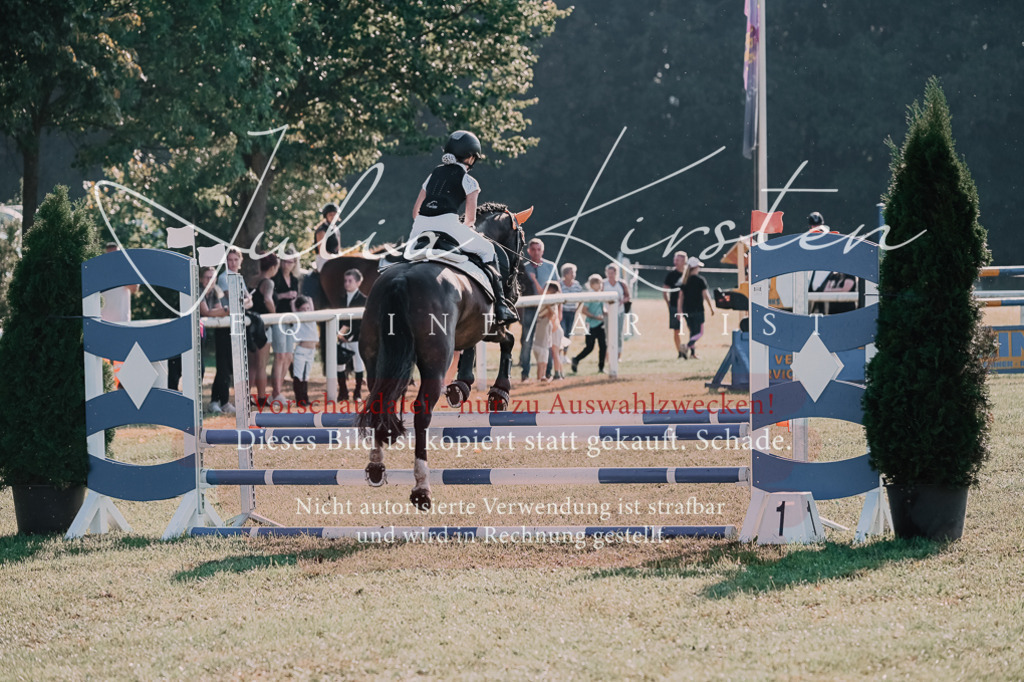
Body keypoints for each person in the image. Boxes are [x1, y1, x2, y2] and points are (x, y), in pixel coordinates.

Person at [409, 130, 517, 325]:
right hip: (449, 225)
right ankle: (501, 306)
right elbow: (470, 220)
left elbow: (415, 211)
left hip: (420, 226)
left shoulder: (433, 175)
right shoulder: (469, 181)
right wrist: (460, 228)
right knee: (488, 250)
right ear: (470, 157)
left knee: (404, 257)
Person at [210, 248, 249, 414]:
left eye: (235, 259)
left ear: (240, 261)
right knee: (223, 365)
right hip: (224, 324)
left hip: (235, 324)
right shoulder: (223, 277)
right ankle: (220, 401)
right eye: (229, 260)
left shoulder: (239, 277)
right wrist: (244, 302)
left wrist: (243, 302)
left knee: (229, 366)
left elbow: (248, 300)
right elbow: (235, 298)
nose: (232, 263)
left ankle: (218, 400)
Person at [519, 237, 557, 381]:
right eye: (533, 249)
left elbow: (557, 288)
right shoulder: (523, 268)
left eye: (538, 249)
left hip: (547, 310)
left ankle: (548, 372)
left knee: (547, 341)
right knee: (527, 341)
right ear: (529, 251)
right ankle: (525, 374)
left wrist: (557, 311)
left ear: (542, 250)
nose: (536, 252)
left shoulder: (550, 267)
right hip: (529, 308)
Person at [270, 249, 300, 405]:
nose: (288, 264)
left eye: (291, 262)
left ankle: (277, 392)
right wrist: (283, 296)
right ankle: (276, 392)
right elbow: (271, 297)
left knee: (288, 356)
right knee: (280, 355)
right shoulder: (275, 278)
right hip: (278, 318)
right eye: (286, 261)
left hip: (291, 320)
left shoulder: (294, 280)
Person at [248, 254, 279, 407]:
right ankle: (261, 397)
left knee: (251, 365)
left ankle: (246, 396)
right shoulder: (268, 282)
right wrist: (275, 315)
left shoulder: (251, 279)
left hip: (250, 324)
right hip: (263, 326)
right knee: (261, 364)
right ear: (273, 267)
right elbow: (268, 299)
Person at [198, 267, 231, 411]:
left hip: (201, 333)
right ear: (200, 279)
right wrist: (226, 310)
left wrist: (223, 311)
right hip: (187, 334)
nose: (210, 280)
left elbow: (218, 311)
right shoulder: (198, 291)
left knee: (202, 369)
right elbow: (206, 312)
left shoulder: (214, 292)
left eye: (212, 278)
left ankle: (212, 403)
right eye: (207, 277)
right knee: (196, 370)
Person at [336, 269, 367, 402]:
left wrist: (347, 335)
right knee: (339, 364)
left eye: (350, 281)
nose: (347, 283)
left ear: (358, 282)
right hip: (341, 338)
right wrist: (339, 335)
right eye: (345, 281)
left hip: (356, 338)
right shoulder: (341, 299)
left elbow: (360, 322)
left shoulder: (364, 299)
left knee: (358, 364)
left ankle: (357, 392)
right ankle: (343, 391)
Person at [570, 275, 608, 374]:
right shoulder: (590, 296)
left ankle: (601, 367)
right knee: (589, 347)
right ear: (591, 285)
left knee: (603, 346)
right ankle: (576, 359)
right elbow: (584, 310)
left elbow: (601, 307)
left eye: (600, 283)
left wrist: (605, 313)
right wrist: (595, 317)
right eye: (597, 283)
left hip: (601, 324)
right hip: (590, 325)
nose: (599, 285)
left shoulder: (601, 295)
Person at [680, 256, 715, 359]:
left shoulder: (685, 280)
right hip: (698, 310)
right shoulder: (700, 280)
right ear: (695, 267)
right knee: (700, 332)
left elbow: (680, 297)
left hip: (687, 310)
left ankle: (692, 354)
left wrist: (680, 310)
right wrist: (711, 307)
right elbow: (706, 295)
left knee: (692, 332)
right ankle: (686, 346)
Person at [532, 281, 562, 382]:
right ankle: (546, 375)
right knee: (552, 354)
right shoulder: (546, 302)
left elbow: (552, 315)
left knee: (554, 353)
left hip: (554, 330)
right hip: (548, 331)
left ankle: (557, 374)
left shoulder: (551, 303)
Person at [290, 296, 317, 407]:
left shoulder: (312, 317)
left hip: (311, 350)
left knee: (306, 376)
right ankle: (299, 400)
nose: (306, 311)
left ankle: (305, 398)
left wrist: (309, 300)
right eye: (303, 309)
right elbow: (293, 308)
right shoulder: (298, 318)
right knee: (298, 375)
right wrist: (294, 302)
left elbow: (311, 305)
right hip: (302, 350)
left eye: (307, 308)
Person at [663, 251, 689, 358]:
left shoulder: (688, 274)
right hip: (674, 305)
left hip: (688, 305)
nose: (675, 262)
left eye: (677, 260)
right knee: (676, 330)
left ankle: (692, 351)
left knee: (692, 329)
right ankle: (680, 352)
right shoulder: (671, 275)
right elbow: (664, 290)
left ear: (684, 261)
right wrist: (668, 303)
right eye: (675, 259)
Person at [603, 262, 630, 363]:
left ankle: (618, 355)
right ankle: (607, 355)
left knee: (618, 334)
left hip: (619, 311)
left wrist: (622, 301)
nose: (610, 275)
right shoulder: (603, 284)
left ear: (616, 273)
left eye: (612, 273)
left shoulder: (621, 284)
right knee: (607, 334)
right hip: (607, 312)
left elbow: (627, 296)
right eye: (608, 273)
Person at [313, 203, 341, 272]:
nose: (333, 217)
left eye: (335, 214)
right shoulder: (321, 230)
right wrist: (334, 257)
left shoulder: (336, 229)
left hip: (335, 259)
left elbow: (338, 249)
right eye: (330, 215)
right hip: (324, 260)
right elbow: (322, 252)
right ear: (326, 216)